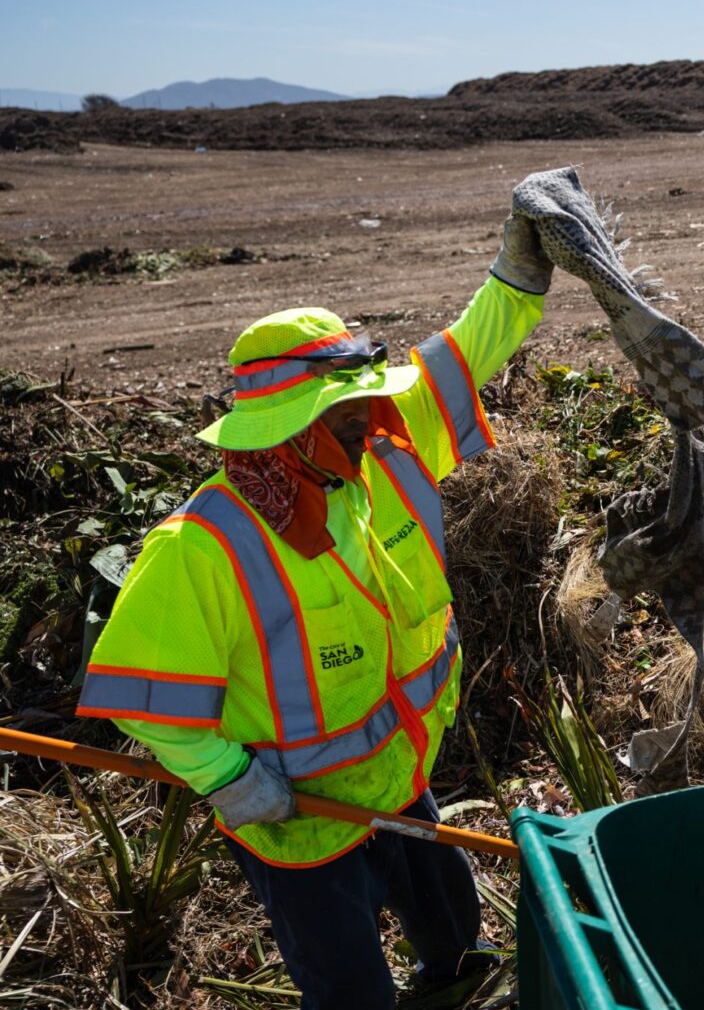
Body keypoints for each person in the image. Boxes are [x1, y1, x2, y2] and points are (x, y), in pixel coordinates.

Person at [74, 189, 561, 1009]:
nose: (372, 420)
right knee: (349, 990)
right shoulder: (203, 546)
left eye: (367, 401)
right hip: (296, 821)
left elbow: (465, 354)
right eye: (345, 413)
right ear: (288, 431)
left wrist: (519, 272)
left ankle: (451, 975)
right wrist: (229, 779)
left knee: (452, 929)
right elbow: (148, 700)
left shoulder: (380, 455)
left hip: (400, 774)